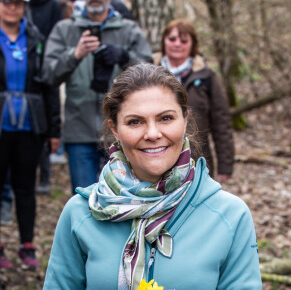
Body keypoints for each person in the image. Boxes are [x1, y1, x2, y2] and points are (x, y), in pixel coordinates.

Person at [43, 63, 262, 290]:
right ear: (115, 129)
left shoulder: (230, 216)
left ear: (185, 120)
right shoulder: (81, 213)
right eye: (135, 122)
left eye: (166, 118)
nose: (152, 134)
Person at [42, 0, 152, 194]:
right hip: (79, 130)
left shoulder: (128, 29)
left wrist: (124, 57)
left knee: (123, 197)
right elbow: (48, 75)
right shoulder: (64, 29)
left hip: (121, 133)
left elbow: (151, 73)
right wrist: (75, 55)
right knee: (85, 199)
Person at [0, 0, 60, 269]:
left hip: (29, 126)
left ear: (25, 6)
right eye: (7, 2)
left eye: (17, 3)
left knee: (26, 187)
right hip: (2, 126)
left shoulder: (36, 40)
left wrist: (53, 129)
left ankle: (27, 245)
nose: (12, 8)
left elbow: (49, 85)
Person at [153, 19, 234, 183]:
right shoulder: (146, 74)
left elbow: (221, 122)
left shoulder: (207, 77)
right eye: (172, 39)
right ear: (163, 41)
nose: (177, 44)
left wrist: (225, 165)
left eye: (184, 40)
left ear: (192, 44)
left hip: (198, 159)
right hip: (154, 157)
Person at [27, 0, 62, 194]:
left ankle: (45, 176)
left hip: (46, 68)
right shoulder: (18, 2)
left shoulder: (52, 4)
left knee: (44, 124)